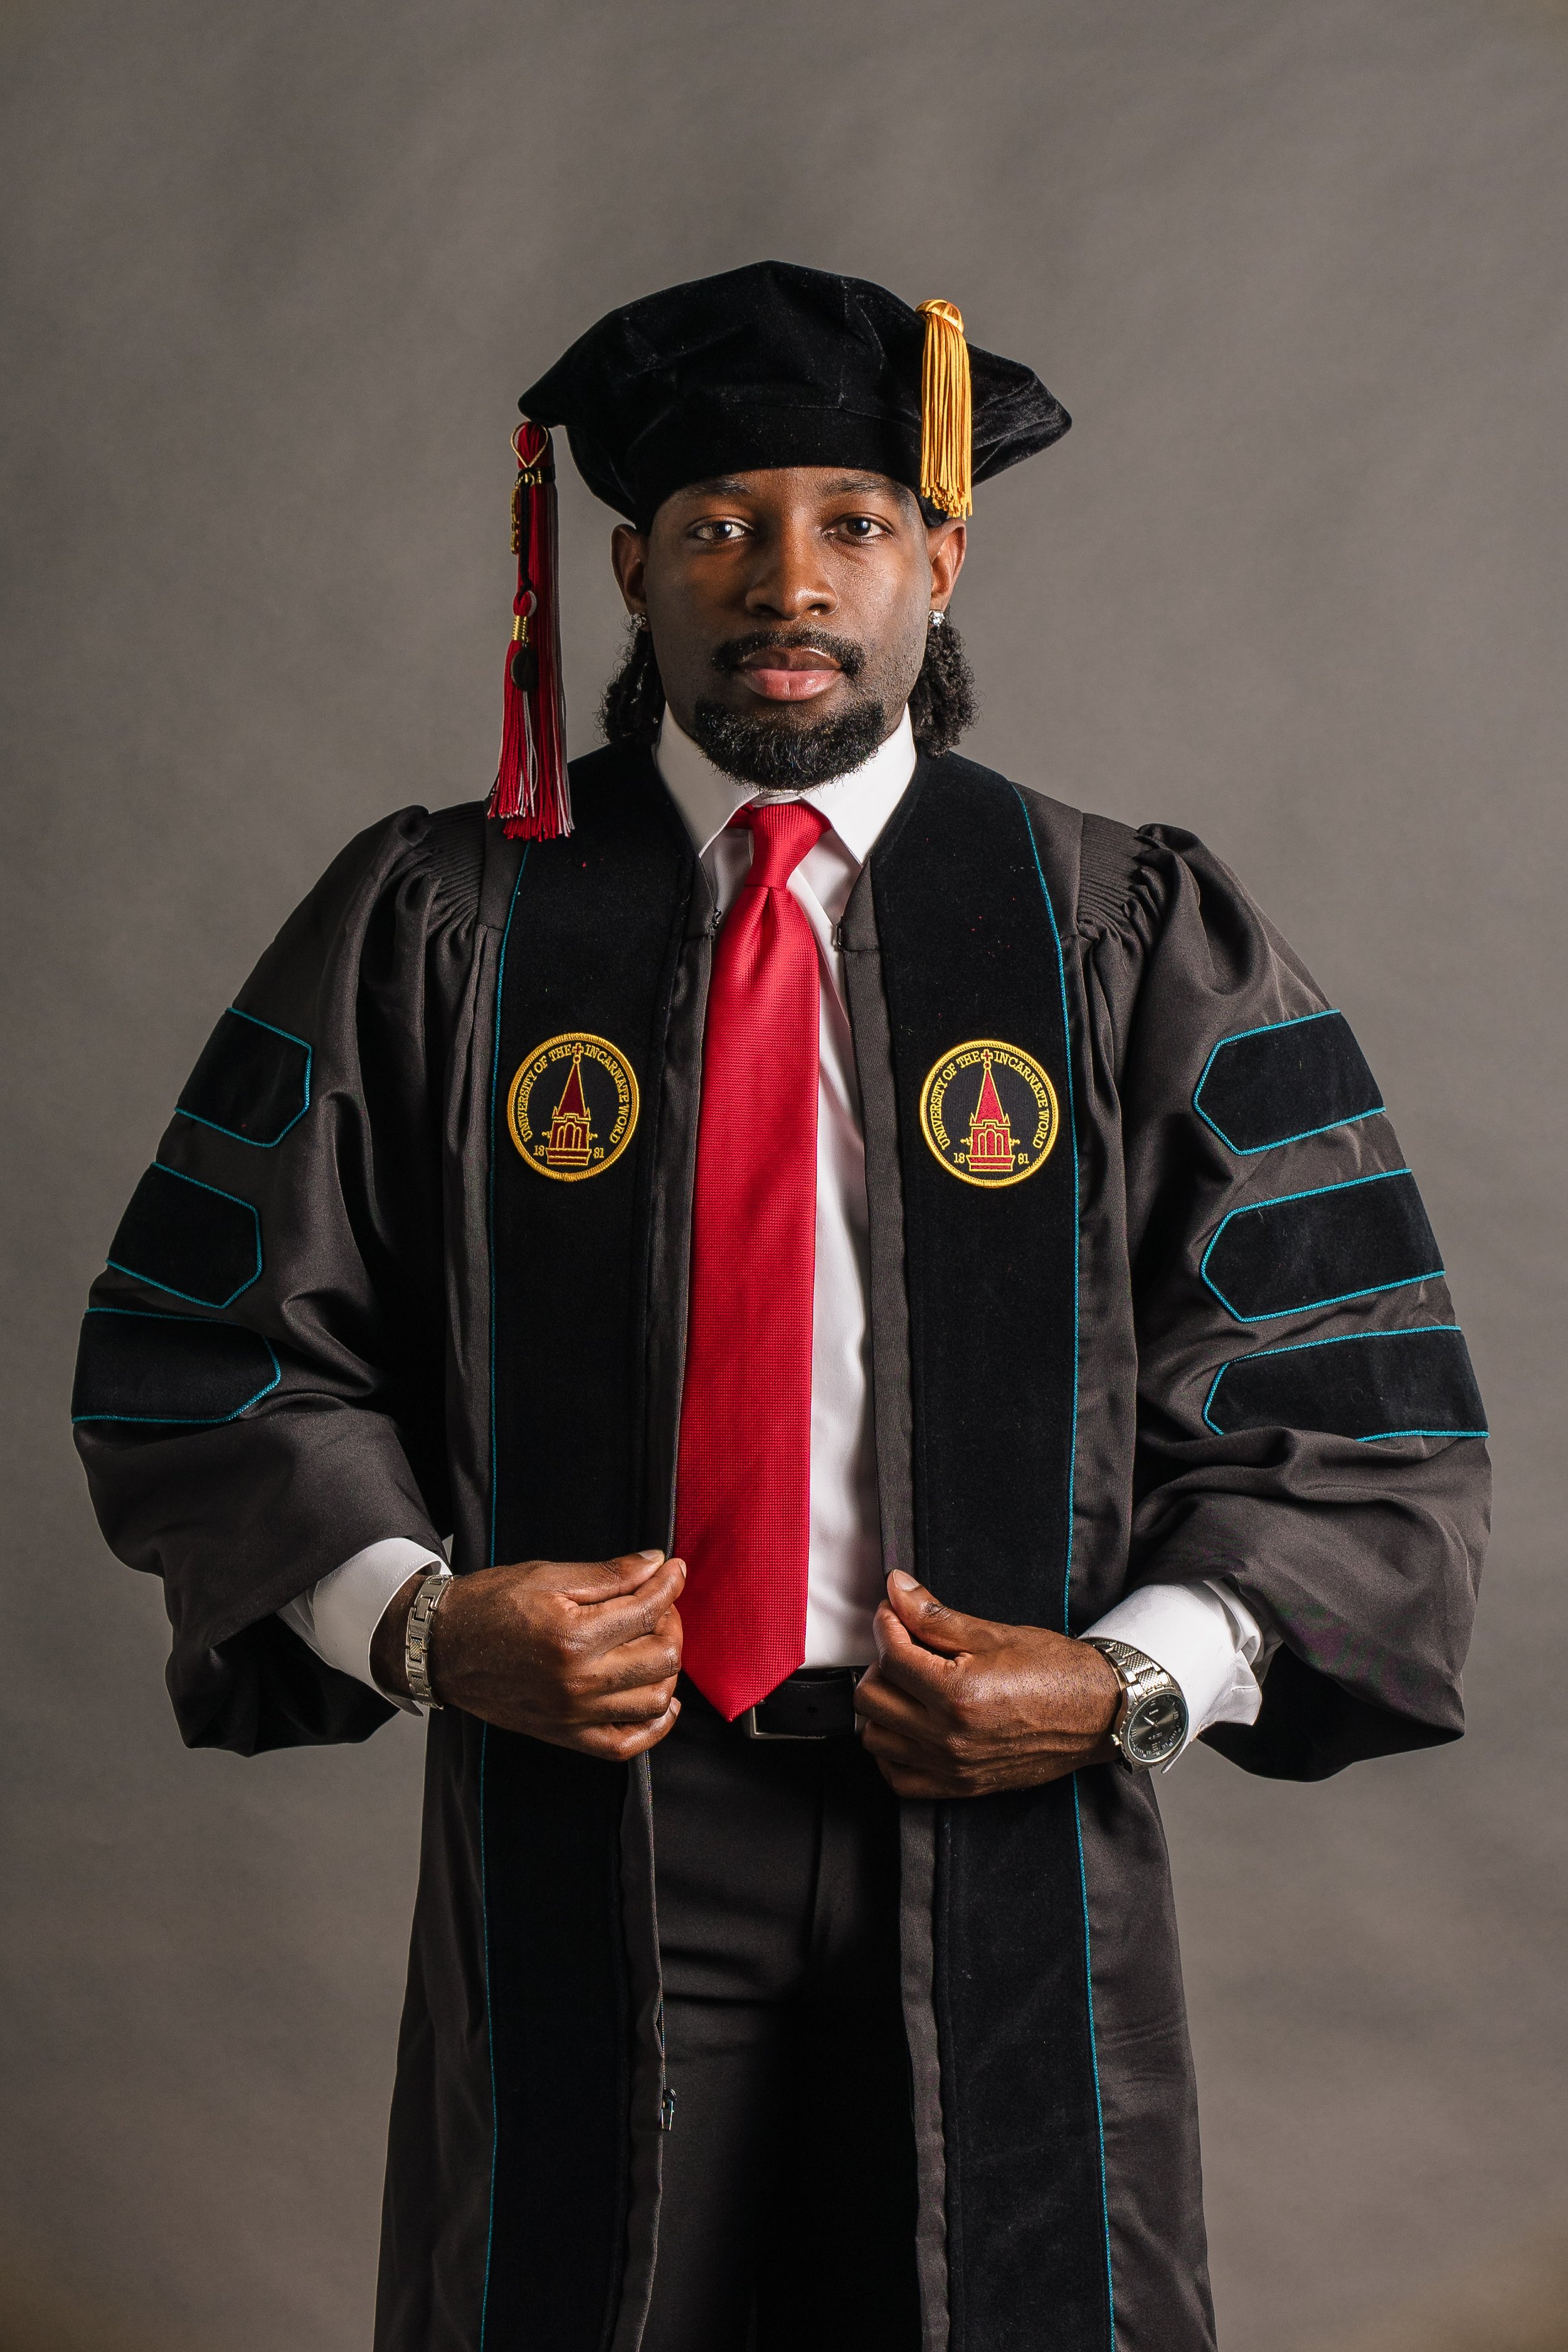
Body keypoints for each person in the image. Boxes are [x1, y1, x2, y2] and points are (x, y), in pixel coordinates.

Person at [72, 262, 1489, 2352]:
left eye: (850, 520)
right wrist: (420, 1621)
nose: (787, 579)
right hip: (596, 1810)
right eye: (721, 526)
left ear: (939, 559)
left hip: (1004, 1799)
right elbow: (211, 1348)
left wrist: (1119, 1687)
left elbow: (1351, 1406)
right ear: (631, 569)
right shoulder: (444, 919)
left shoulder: (1117, 924)